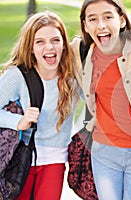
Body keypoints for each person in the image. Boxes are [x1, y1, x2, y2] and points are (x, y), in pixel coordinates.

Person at [70, 0, 131, 199]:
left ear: (121, 20)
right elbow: (45, 53)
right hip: (104, 153)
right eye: (93, 19)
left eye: (108, 17)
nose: (101, 25)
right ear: (85, 25)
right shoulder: (81, 51)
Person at [0, 11, 78, 199]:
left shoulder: (72, 76)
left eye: (55, 40)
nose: (49, 47)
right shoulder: (17, 75)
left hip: (55, 159)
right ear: (31, 47)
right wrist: (19, 121)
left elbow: (98, 100)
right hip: (20, 158)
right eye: (40, 41)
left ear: (64, 45)